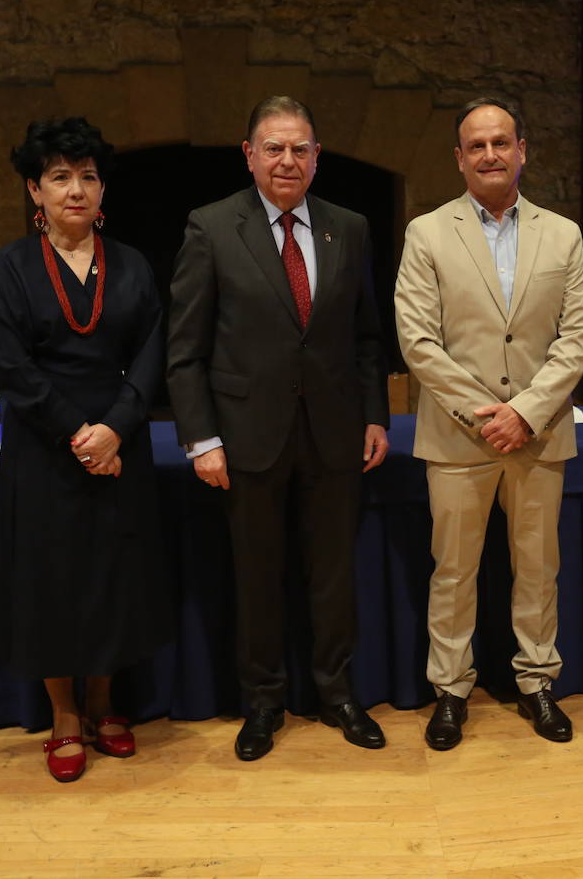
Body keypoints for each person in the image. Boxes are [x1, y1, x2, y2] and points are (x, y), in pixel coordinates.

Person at [166, 96, 390, 760]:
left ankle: (337, 694)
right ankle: (261, 703)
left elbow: (368, 335)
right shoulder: (210, 228)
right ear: (249, 155)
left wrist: (375, 412)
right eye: (274, 148)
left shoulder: (349, 228)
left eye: (300, 149)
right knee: (257, 577)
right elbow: (184, 349)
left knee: (332, 575)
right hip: (245, 438)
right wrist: (201, 438)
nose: (287, 161)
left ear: (317, 158)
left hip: (335, 433)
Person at [395, 97, 583, 749]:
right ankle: (450, 691)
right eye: (476, 146)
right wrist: (488, 417)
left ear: (522, 150)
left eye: (501, 143)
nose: (490, 155)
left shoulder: (562, 234)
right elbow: (418, 341)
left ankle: (537, 683)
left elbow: (580, 335)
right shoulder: (427, 233)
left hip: (538, 436)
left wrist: (526, 413)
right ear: (459, 157)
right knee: (453, 571)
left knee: (539, 568)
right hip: (459, 436)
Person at [0, 116, 170, 782]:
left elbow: (153, 353)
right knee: (51, 582)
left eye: (87, 176)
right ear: (35, 190)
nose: (76, 189)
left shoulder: (134, 265)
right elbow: (10, 369)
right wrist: (78, 436)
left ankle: (105, 701)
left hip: (122, 438)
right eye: (59, 177)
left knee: (114, 576)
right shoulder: (8, 268)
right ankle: (64, 714)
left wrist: (115, 429)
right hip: (44, 446)